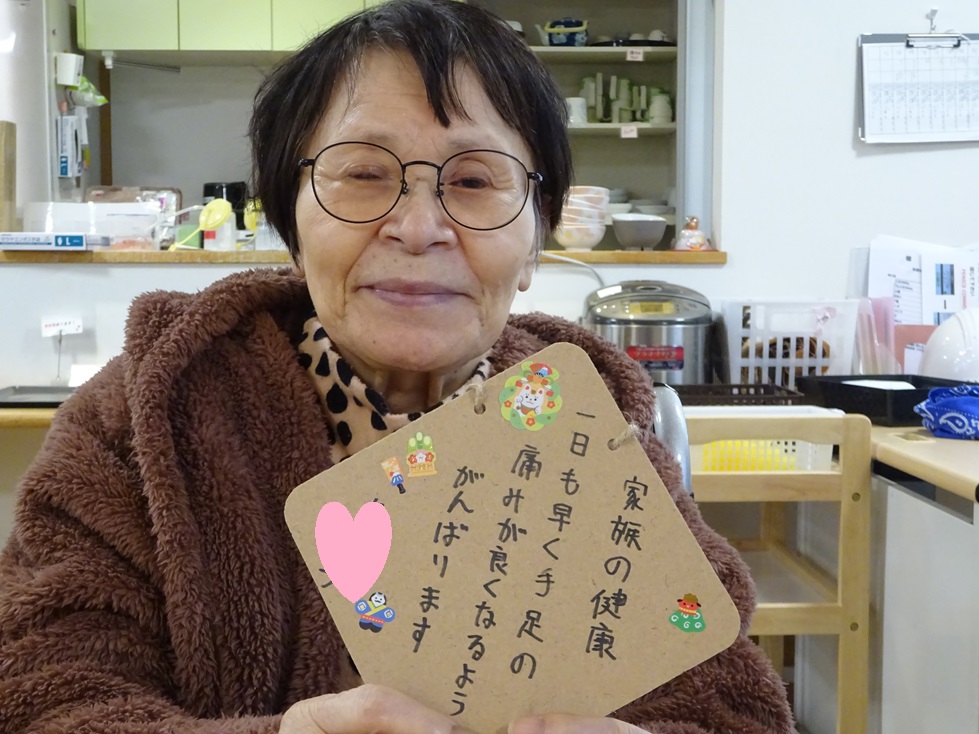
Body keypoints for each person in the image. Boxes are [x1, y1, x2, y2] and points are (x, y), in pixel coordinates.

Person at [0, 1, 794, 732]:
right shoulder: (144, 415)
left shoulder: (584, 424)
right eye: (363, 174)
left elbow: (726, 706)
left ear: (534, 243)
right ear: (290, 225)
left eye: (474, 180)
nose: (418, 227)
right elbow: (43, 691)